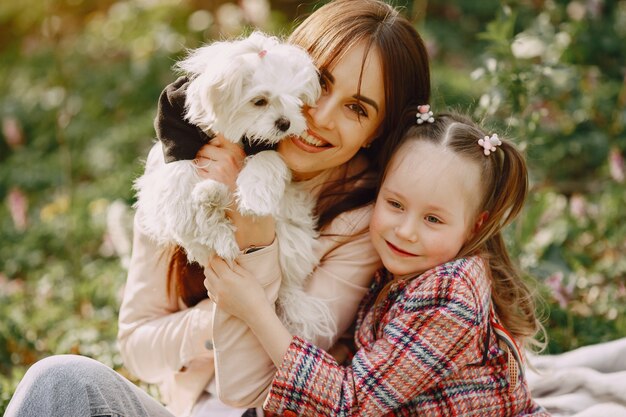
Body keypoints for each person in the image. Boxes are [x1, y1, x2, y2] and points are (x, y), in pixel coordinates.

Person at [4, 1, 430, 416]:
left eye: (357, 108)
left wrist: (255, 232)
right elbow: (137, 347)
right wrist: (225, 310)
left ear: (377, 133)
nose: (319, 115)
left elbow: (251, 389)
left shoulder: (363, 220)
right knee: (59, 380)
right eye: (319, 82)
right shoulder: (185, 166)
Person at [203, 110, 550, 416]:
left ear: (475, 225)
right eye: (396, 204)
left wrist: (255, 309)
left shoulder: (450, 293)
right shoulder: (404, 267)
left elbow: (350, 403)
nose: (406, 231)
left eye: (433, 219)